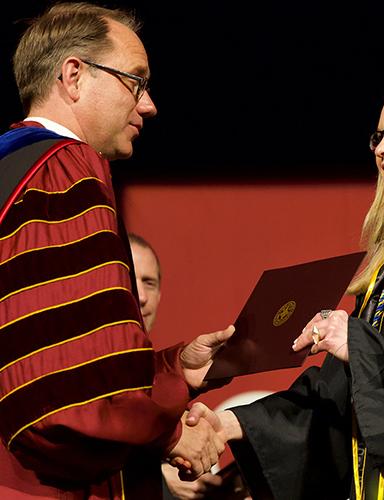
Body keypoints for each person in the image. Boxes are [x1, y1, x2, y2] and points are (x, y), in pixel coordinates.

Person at [188, 73, 384, 499]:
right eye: (377, 137)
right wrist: (231, 424)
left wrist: (357, 343)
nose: (381, 148)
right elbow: (339, 393)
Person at [0, 3, 233, 498]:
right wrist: (171, 431)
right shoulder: (62, 168)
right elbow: (61, 393)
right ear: (74, 76)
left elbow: (49, 342)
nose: (148, 105)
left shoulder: (14, 170)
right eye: (136, 81)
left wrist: (173, 373)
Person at [128, 233, 225, 499]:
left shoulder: (151, 376)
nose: (142, 297)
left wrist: (179, 369)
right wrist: (163, 464)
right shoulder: (71, 361)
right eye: (128, 279)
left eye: (149, 282)